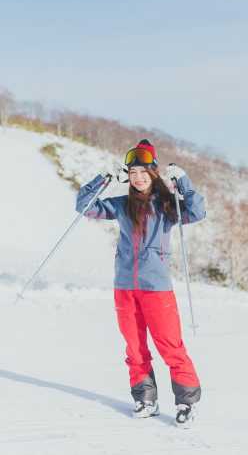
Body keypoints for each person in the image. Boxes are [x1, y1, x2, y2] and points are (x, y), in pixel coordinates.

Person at [75, 139, 206, 428]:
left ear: (153, 174)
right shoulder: (121, 205)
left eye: (143, 172)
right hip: (124, 287)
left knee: (170, 346)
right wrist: (105, 178)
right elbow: (84, 207)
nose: (137, 177)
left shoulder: (166, 206)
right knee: (134, 348)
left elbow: (197, 212)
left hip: (157, 289)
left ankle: (186, 402)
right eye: (132, 173)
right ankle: (145, 398)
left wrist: (183, 182)